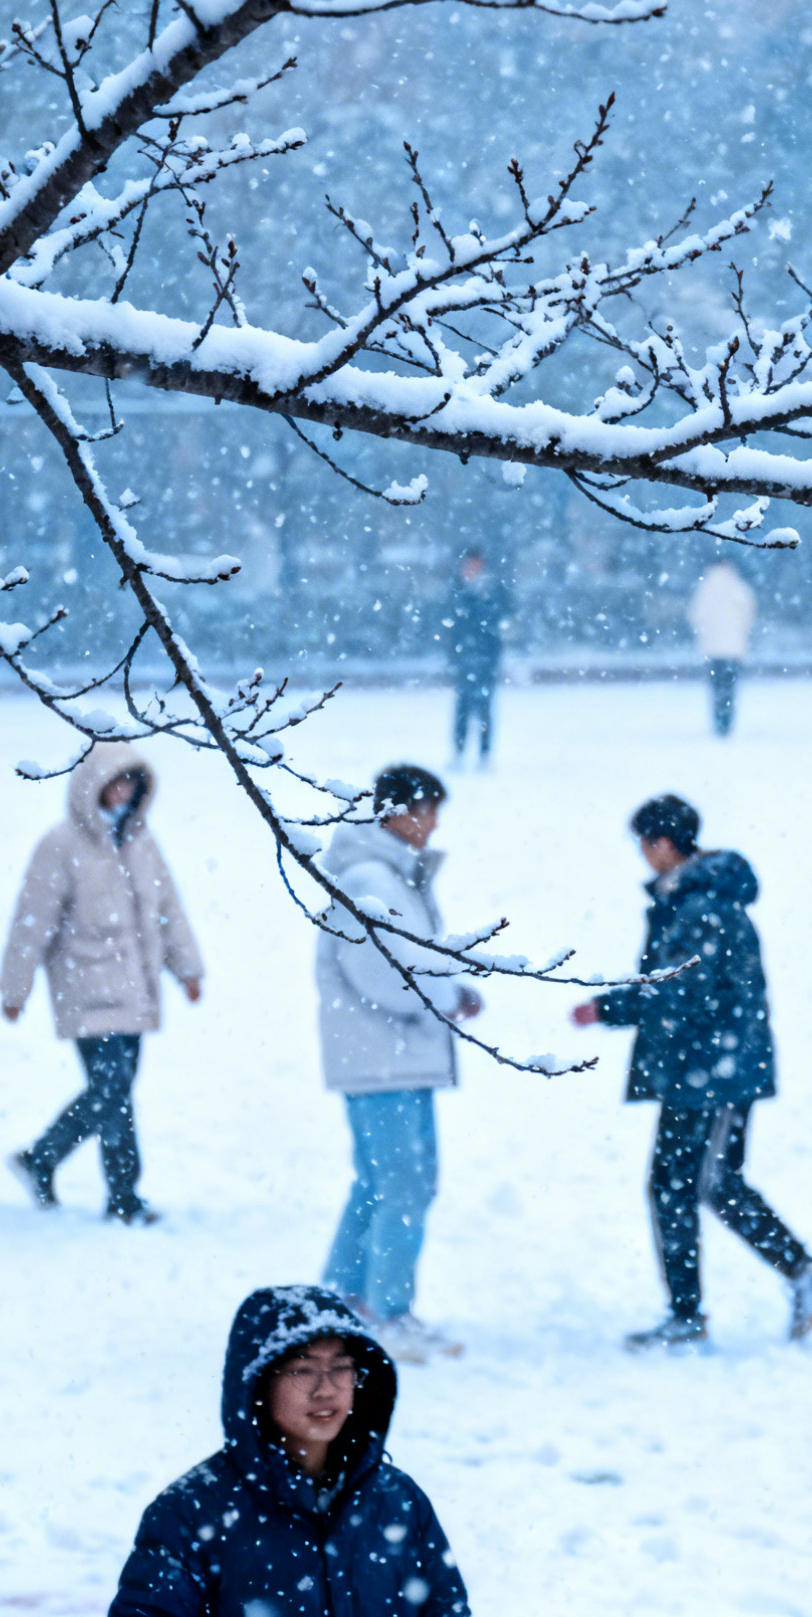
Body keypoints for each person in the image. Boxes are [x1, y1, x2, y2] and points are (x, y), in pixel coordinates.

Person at [572, 793, 812, 1350]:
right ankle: (701, 1308)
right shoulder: (693, 899)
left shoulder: (702, 905)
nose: (643, 856)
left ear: (663, 844)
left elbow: (681, 989)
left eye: (644, 844)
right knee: (685, 1185)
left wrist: (609, 1008)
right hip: (703, 1068)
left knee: (701, 1184)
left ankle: (791, 1276)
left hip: (716, 1071)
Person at [106, 1285, 472, 1617]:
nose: (325, 1389)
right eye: (302, 1370)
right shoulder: (190, 1512)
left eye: (341, 1368)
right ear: (258, 1384)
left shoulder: (399, 1501)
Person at [0, 742, 203, 1226]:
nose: (123, 792)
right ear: (92, 785)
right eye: (115, 782)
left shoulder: (142, 842)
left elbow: (168, 910)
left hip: (135, 990)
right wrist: (15, 988)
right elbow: (33, 922)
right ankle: (120, 1194)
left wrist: (187, 966)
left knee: (115, 1091)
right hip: (86, 986)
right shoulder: (61, 846)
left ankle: (47, 1161)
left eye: (131, 783)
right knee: (112, 1090)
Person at [317, 764, 478, 1364]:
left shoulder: (383, 875)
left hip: (392, 1058)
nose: (432, 824)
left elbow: (407, 962)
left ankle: (343, 1300)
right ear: (396, 813)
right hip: (383, 1058)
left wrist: (449, 988)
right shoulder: (369, 879)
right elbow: (383, 971)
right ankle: (389, 1312)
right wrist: (446, 996)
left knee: (379, 1183)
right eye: (427, 810)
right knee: (404, 1184)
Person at [443, 547, 511, 770]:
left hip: (486, 656)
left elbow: (502, 615)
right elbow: (451, 619)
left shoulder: (492, 589)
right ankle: (460, 751)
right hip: (465, 656)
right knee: (463, 706)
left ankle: (484, 753)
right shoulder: (457, 588)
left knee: (484, 706)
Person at [688, 557, 757, 736]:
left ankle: (717, 723)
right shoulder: (739, 587)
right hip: (734, 649)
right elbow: (749, 614)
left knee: (716, 688)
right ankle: (727, 723)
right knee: (730, 689)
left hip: (712, 648)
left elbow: (696, 617)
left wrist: (705, 633)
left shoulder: (704, 589)